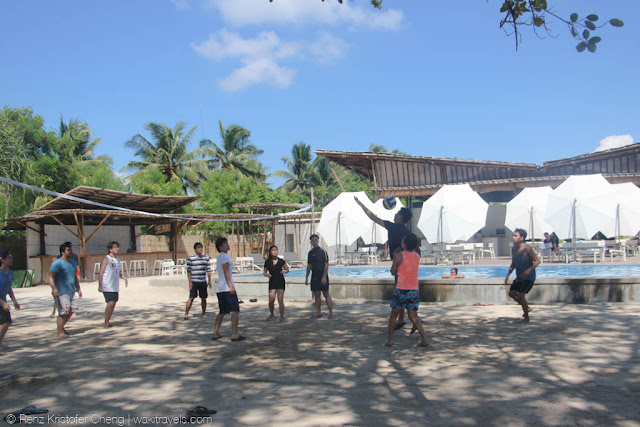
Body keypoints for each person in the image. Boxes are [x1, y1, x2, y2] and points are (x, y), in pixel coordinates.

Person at [354, 196, 413, 328]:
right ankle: (403, 318)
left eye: (397, 213)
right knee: (403, 291)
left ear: (401, 217)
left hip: (399, 264)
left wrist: (360, 204)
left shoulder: (392, 227)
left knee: (400, 291)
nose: (395, 214)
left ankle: (412, 319)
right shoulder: (407, 231)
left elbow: (372, 217)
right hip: (407, 264)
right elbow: (414, 249)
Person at [386, 233, 429, 347]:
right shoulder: (417, 256)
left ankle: (390, 340)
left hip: (401, 289)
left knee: (393, 316)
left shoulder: (398, 256)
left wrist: (395, 256)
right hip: (414, 289)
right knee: (413, 317)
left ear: (404, 243)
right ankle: (424, 338)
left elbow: (393, 272)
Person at [212, 237, 245, 342]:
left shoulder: (220, 257)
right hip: (226, 288)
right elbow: (226, 271)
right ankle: (235, 334)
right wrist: (231, 285)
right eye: (225, 244)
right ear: (221, 247)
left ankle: (215, 333)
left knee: (222, 312)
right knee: (235, 311)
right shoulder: (225, 257)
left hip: (220, 288)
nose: (228, 245)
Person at [505, 228, 540, 323]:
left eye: (515, 236)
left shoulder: (527, 248)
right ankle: (526, 307)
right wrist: (508, 275)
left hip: (529, 277)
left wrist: (528, 270)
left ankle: (526, 317)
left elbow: (537, 261)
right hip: (520, 277)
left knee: (521, 295)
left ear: (522, 238)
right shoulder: (514, 249)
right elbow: (513, 263)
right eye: (513, 235)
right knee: (511, 293)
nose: (513, 237)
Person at [48, 242, 82, 338]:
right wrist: (54, 288)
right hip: (61, 291)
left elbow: (75, 276)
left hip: (71, 291)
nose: (71, 252)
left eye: (71, 249)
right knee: (63, 312)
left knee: (72, 310)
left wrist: (78, 288)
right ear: (63, 252)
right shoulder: (57, 263)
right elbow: (50, 277)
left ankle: (61, 327)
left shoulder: (72, 262)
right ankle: (60, 332)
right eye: (68, 250)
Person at [98, 241, 128, 328]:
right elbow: (101, 272)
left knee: (113, 303)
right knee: (110, 303)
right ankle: (106, 323)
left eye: (117, 247)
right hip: (107, 285)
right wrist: (100, 285)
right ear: (110, 249)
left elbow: (118, 271)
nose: (117, 249)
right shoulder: (106, 259)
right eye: (115, 247)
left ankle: (108, 320)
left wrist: (123, 277)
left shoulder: (117, 259)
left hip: (114, 285)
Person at [305, 234, 334, 318]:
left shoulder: (322, 251)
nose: (314, 242)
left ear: (318, 241)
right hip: (314, 277)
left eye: (316, 240)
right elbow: (309, 266)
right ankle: (318, 312)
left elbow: (326, 264)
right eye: (313, 240)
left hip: (322, 275)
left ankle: (331, 312)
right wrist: (306, 277)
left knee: (326, 294)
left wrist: (324, 276)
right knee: (317, 294)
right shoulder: (310, 253)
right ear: (311, 242)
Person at [185, 242, 212, 320]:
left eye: (201, 247)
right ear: (195, 249)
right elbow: (189, 271)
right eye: (199, 248)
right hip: (194, 281)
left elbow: (208, 270)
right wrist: (190, 282)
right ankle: (186, 313)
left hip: (202, 281)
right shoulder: (191, 259)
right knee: (191, 297)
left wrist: (209, 280)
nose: (200, 249)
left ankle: (203, 313)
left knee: (203, 298)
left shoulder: (205, 259)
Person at [0, 251, 21, 352]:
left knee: (7, 322)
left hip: (3, 301)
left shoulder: (9, 273)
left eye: (12, 258)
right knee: (5, 322)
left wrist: (14, 301)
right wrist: (3, 303)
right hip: (1, 303)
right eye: (9, 258)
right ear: (3, 260)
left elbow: (9, 289)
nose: (11, 260)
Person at [263, 245, 289, 322]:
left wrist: (284, 271)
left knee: (280, 299)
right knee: (271, 300)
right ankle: (272, 313)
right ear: (270, 252)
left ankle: (282, 316)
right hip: (272, 281)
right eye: (273, 250)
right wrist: (268, 275)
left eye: (276, 250)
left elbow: (287, 269)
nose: (275, 251)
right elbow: (264, 272)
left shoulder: (281, 261)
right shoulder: (268, 262)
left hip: (280, 281)